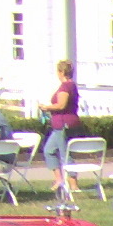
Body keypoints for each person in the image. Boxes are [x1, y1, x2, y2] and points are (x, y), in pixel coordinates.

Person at [42, 60, 81, 195]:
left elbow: (61, 105)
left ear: (61, 72)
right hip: (59, 124)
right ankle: (59, 179)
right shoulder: (71, 86)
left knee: (65, 153)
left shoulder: (65, 87)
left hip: (63, 124)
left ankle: (73, 184)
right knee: (49, 150)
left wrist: (46, 107)